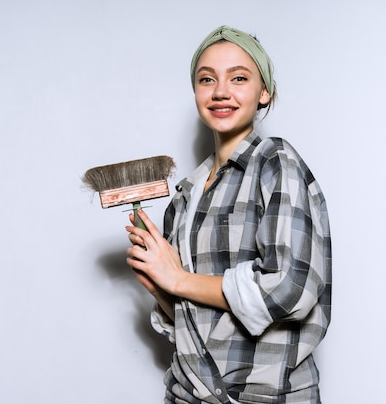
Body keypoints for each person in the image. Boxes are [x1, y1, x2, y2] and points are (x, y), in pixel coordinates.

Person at [125, 25, 332, 404]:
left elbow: (290, 289)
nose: (221, 91)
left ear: (264, 92)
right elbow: (194, 324)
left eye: (239, 77)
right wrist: (159, 283)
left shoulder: (275, 162)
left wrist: (179, 280)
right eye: (207, 79)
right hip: (187, 395)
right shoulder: (185, 197)